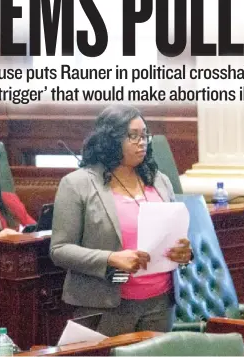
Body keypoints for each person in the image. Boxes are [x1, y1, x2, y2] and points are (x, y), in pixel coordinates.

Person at [50, 104, 192, 337]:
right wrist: (111, 258)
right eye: (132, 136)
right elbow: (59, 250)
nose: (142, 142)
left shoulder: (159, 180)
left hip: (160, 303)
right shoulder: (77, 184)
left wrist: (185, 253)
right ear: (110, 140)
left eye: (145, 135)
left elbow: (177, 233)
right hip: (106, 304)